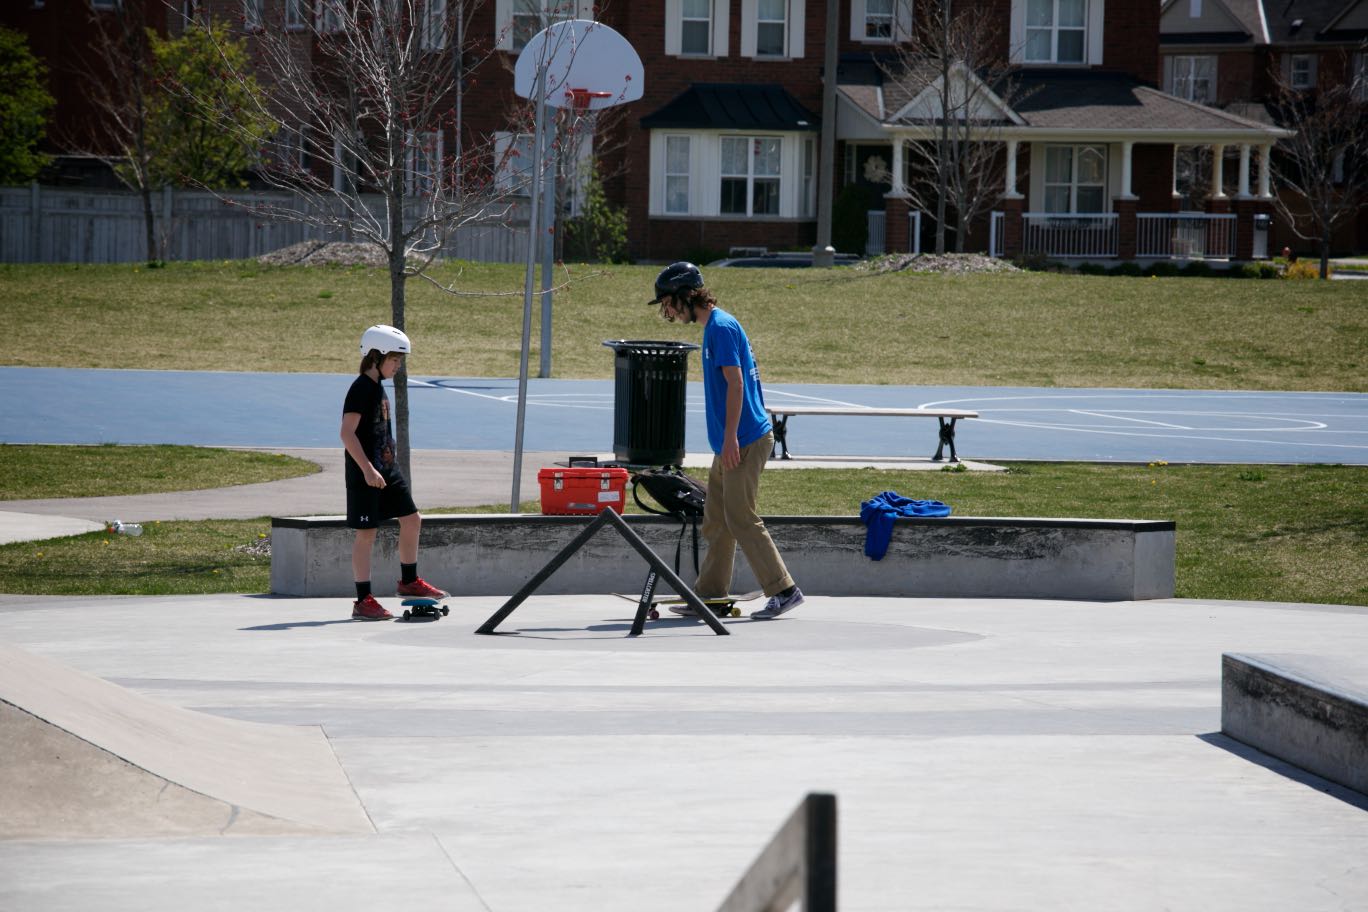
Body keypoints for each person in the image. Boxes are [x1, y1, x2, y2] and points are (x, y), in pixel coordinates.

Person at [648, 262, 804, 619]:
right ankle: (710, 595)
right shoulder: (716, 327)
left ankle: (784, 589)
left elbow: (735, 384)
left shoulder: (719, 328)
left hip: (744, 439)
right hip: (731, 442)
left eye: (669, 302)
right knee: (716, 520)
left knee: (740, 517)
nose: (667, 310)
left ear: (687, 295)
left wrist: (731, 437)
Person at [341, 324, 448, 620]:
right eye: (395, 360)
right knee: (367, 534)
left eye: (400, 362)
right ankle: (362, 600)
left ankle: (409, 581)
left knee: (412, 520)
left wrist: (384, 467)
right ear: (375, 356)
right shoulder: (361, 388)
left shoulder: (377, 387)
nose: (398, 367)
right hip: (366, 475)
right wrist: (367, 469)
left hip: (387, 471)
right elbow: (347, 434)